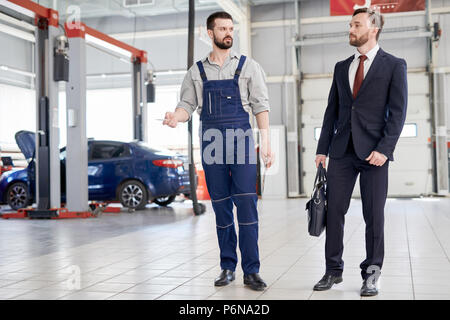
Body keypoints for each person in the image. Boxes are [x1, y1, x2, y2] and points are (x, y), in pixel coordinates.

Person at [163, 11, 274, 291]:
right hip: (212, 145)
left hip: (242, 143)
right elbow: (187, 105)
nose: (228, 33)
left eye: (231, 28)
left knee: (247, 207)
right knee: (222, 208)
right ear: (209, 33)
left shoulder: (249, 67)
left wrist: (267, 143)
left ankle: (252, 271)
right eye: (222, 28)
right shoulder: (195, 72)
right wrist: (176, 117)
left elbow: (260, 105)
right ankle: (227, 267)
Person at [314, 7, 407, 297]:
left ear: (374, 28)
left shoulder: (394, 65)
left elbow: (399, 112)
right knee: (333, 213)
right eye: (350, 24)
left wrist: (385, 149)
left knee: (374, 216)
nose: (350, 29)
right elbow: (333, 110)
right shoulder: (343, 67)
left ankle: (372, 274)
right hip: (342, 151)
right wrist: (322, 149)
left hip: (374, 154)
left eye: (356, 24)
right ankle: (333, 270)